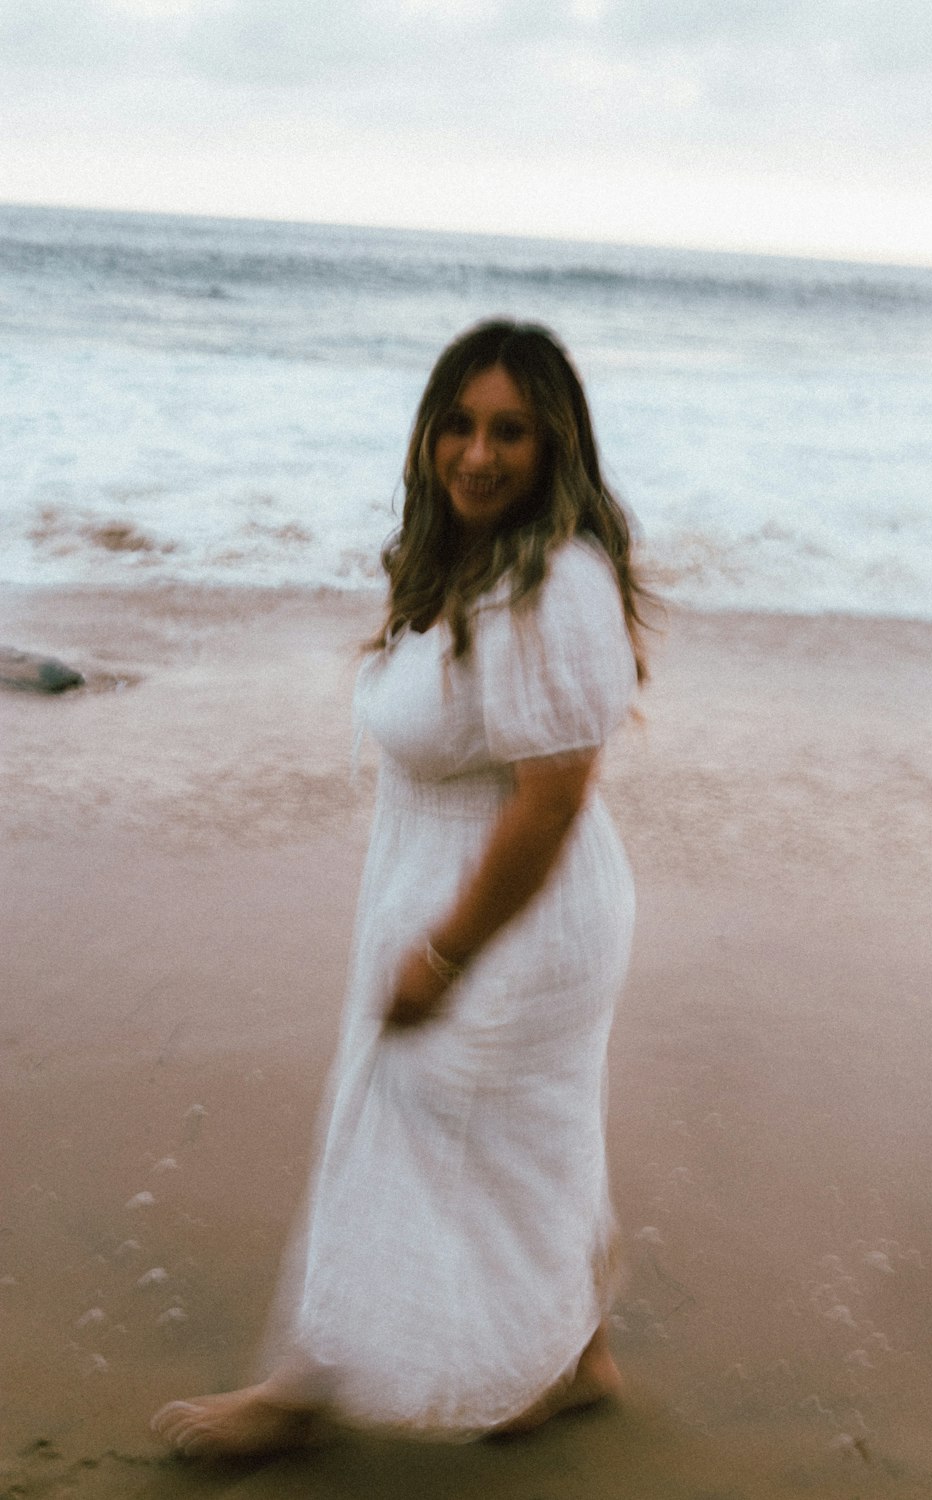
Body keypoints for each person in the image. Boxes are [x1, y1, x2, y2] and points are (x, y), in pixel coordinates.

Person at [151, 319, 648, 1457]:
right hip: (472, 896)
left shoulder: (552, 581)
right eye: (459, 426)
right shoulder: (475, 561)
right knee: (529, 1134)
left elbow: (554, 798)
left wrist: (448, 949)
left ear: (554, 445)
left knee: (395, 1127)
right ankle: (583, 1359)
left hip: (512, 917)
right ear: (428, 436)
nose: (478, 454)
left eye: (511, 432)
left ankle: (308, 1385)